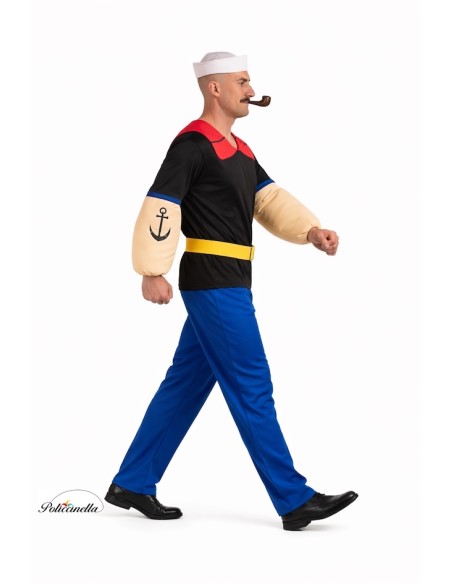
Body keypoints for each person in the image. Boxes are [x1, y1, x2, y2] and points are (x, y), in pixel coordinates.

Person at [105, 51, 358, 531]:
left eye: (249, 81)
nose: (250, 89)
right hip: (213, 282)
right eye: (241, 81)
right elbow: (161, 204)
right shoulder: (192, 144)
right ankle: (294, 499)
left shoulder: (240, 151)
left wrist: (310, 231)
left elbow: (269, 199)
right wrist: (152, 270)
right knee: (252, 383)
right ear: (214, 88)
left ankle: (132, 481)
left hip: (231, 279)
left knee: (184, 384)